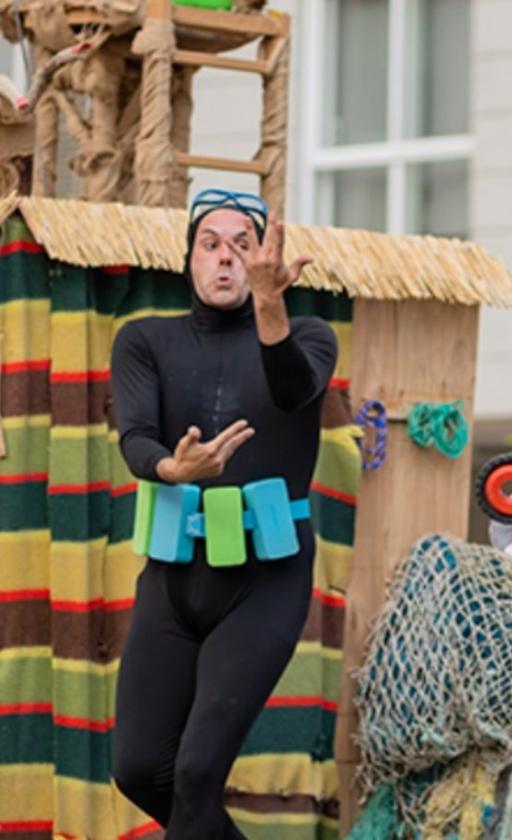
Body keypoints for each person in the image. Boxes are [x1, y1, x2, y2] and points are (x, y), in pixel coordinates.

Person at [109, 189, 337, 838]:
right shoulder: (144, 340)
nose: (226, 259)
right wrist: (173, 470)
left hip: (266, 580)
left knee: (198, 772)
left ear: (266, 261)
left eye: (243, 245)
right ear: (189, 259)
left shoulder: (311, 338)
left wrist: (271, 304)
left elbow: (292, 387)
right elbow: (136, 437)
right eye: (211, 243)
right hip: (174, 577)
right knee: (139, 770)